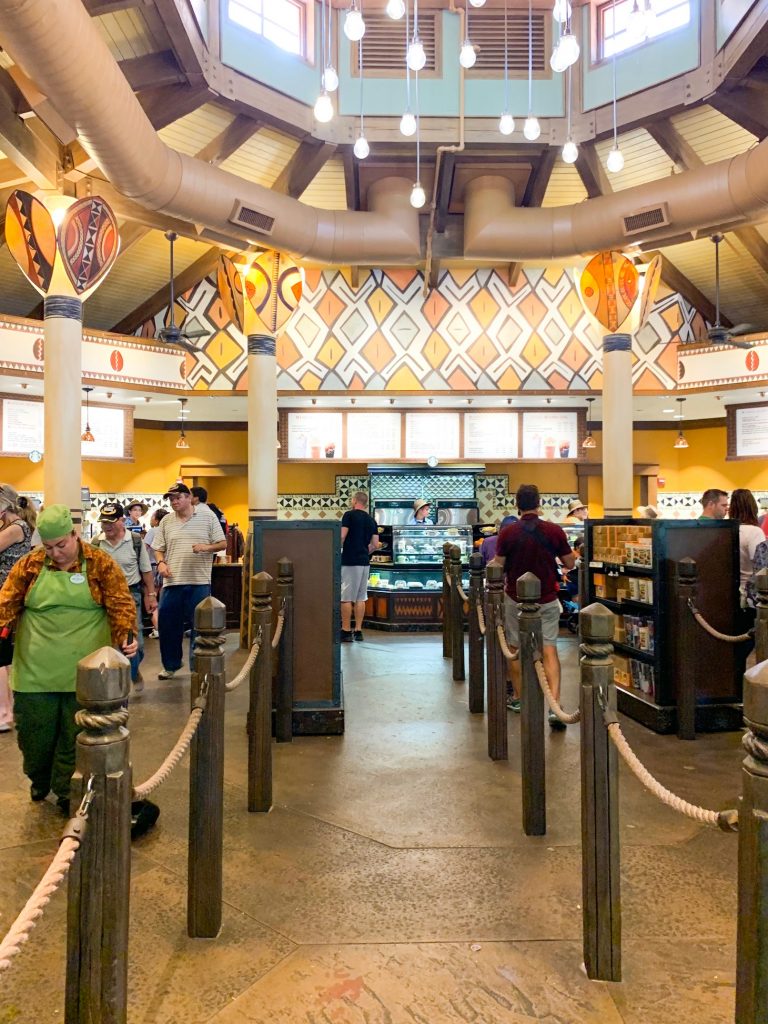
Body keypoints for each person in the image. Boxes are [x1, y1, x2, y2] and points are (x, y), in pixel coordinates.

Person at [0, 504, 137, 814]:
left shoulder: (100, 563)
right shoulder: (30, 565)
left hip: (87, 675)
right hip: (35, 672)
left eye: (61, 545)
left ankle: (65, 791)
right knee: (35, 737)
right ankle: (38, 778)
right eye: (48, 546)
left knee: (73, 738)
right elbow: (5, 603)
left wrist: (127, 636)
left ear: (74, 535)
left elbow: (120, 603)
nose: (56, 552)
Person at [492, 483, 576, 730]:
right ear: (539, 503)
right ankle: (555, 705)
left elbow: (498, 565)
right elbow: (569, 562)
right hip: (547, 598)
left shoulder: (507, 534)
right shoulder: (554, 531)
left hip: (515, 598)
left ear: (517, 504)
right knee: (549, 649)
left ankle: (518, 698)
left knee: (515, 647)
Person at [152, 483, 226, 679]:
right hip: (172, 581)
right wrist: (160, 563)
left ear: (188, 497)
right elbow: (158, 547)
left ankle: (197, 666)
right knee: (167, 626)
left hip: (199, 582)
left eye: (178, 498)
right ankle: (170, 665)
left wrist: (206, 547)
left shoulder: (208, 516)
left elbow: (223, 542)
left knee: (199, 627)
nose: (174, 502)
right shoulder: (166, 521)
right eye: (171, 499)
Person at [93, 502, 158, 693]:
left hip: (131, 595)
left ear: (122, 521)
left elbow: (146, 571)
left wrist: (151, 595)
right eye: (104, 522)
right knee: (106, 640)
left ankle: (134, 670)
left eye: (111, 522)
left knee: (135, 641)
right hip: (103, 597)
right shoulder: (96, 543)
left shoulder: (135, 541)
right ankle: (113, 684)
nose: (107, 526)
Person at [0, 485, 33, 733]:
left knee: (2, 657)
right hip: (6, 598)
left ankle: (5, 712)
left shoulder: (16, 528)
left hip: (8, 599)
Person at [340, 491, 380, 643]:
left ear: (355, 500)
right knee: (360, 597)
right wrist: (365, 550)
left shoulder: (349, 515)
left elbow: (342, 536)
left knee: (346, 597)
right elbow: (375, 544)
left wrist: (338, 549)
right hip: (364, 562)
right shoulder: (371, 520)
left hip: (350, 560)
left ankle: (345, 631)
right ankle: (358, 630)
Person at [144, 508, 169, 639]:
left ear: (157, 519)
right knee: (161, 598)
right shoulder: (167, 530)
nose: (151, 518)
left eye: (152, 516)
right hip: (164, 567)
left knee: (150, 597)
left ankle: (157, 628)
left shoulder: (153, 531)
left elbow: (144, 548)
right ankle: (164, 627)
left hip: (152, 567)